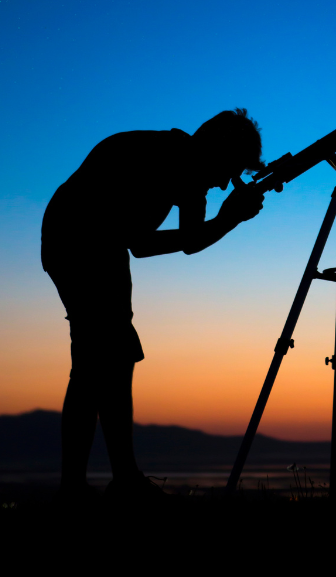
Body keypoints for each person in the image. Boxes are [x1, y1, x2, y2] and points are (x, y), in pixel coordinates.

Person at [41, 108, 265, 502]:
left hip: (97, 247)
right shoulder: (159, 158)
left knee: (112, 357)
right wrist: (229, 220)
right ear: (217, 150)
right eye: (230, 169)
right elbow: (147, 243)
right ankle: (82, 487)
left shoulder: (187, 165)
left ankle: (117, 479)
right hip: (76, 243)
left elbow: (180, 240)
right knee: (96, 363)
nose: (226, 182)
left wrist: (228, 218)